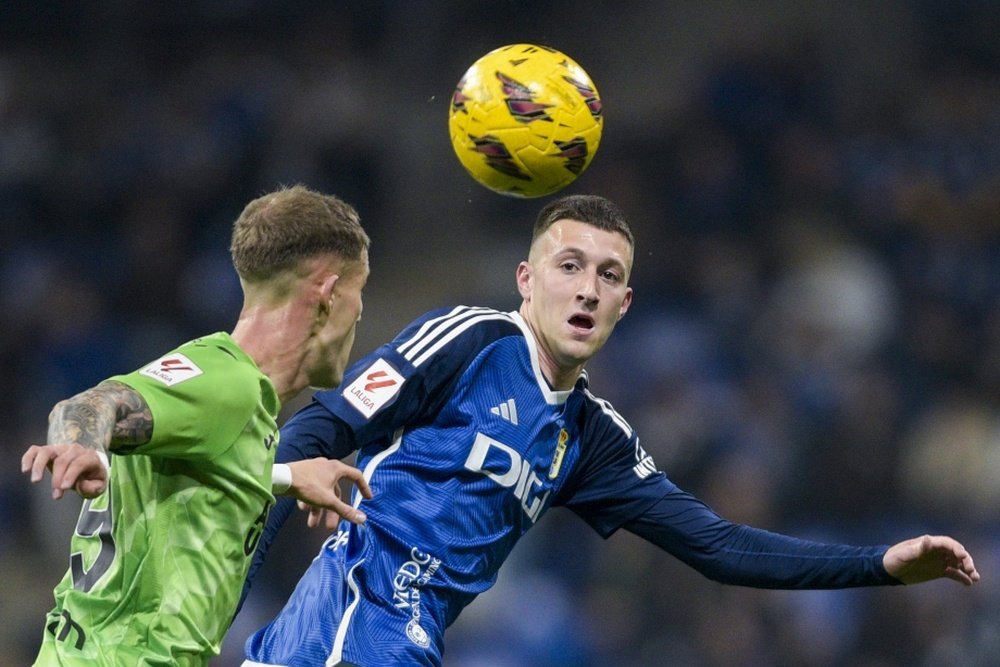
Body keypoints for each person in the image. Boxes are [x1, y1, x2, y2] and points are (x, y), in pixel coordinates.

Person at [239, 194, 979, 667]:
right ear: (527, 279)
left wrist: (879, 563)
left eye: (608, 274)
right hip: (350, 622)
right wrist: (237, 579)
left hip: (407, 640)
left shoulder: (593, 438)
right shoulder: (468, 340)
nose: (587, 287)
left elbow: (720, 547)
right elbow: (321, 426)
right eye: (569, 265)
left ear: (625, 302)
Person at [21, 184, 375, 666]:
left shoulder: (226, 392)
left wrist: (288, 477)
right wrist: (81, 443)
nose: (360, 313)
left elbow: (189, 470)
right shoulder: (228, 385)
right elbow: (89, 406)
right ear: (330, 295)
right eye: (359, 293)